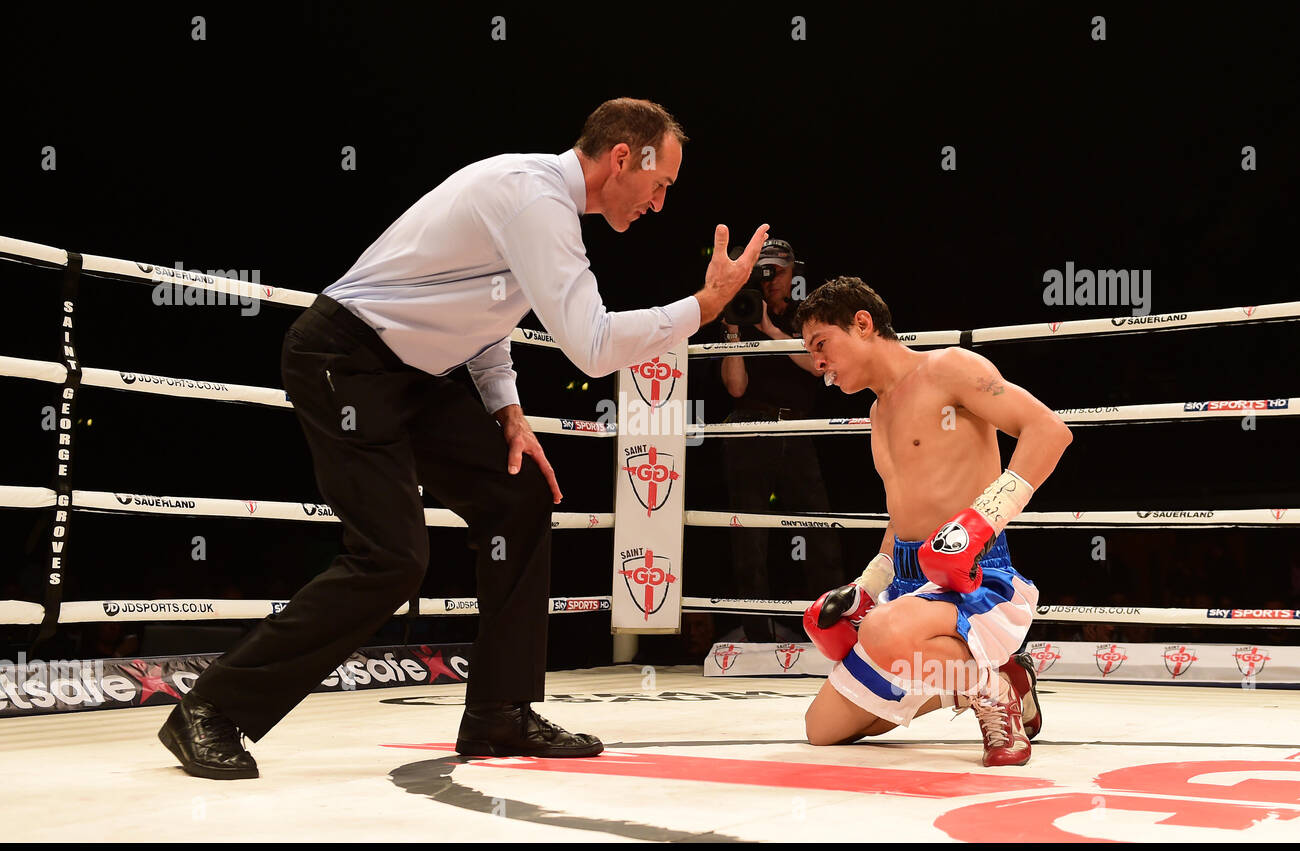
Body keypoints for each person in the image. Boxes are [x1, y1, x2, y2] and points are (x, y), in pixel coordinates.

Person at [158, 97, 769, 779]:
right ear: (623, 158)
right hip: (346, 361)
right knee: (392, 557)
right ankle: (211, 710)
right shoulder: (534, 199)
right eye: (661, 185)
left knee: (522, 496)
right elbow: (594, 347)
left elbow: (487, 311)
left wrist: (506, 410)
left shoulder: (543, 207)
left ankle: (498, 712)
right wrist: (705, 306)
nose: (659, 205)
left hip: (407, 374)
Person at [795, 277, 1072, 766]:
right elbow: (902, 514)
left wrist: (982, 519)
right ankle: (990, 678)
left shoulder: (949, 368)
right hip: (906, 587)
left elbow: (1048, 431)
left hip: (974, 578)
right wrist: (868, 583)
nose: (819, 363)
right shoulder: (879, 415)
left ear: (862, 324)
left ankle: (993, 693)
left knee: (881, 632)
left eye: (822, 345)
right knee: (822, 729)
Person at [719, 239, 844, 641]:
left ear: (793, 273)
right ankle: (757, 636)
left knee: (818, 531)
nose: (770, 280)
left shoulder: (807, 316)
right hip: (748, 428)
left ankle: (832, 631)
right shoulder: (741, 310)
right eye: (763, 271)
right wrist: (736, 334)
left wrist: (770, 330)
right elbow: (735, 389)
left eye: (777, 271)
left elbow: (816, 367)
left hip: (796, 428)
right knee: (749, 537)